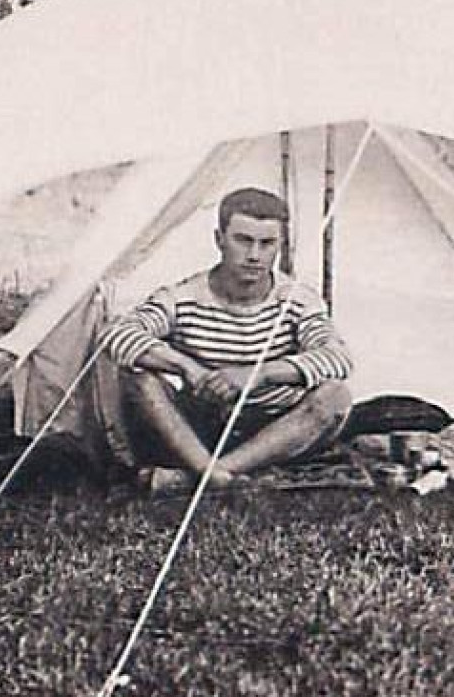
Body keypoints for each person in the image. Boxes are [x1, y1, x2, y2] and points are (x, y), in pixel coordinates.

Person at [101, 187, 353, 489]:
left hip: (272, 429)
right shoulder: (182, 297)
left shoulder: (298, 300)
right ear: (219, 240)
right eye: (243, 241)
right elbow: (115, 335)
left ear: (280, 246)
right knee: (138, 379)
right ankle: (216, 474)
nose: (254, 256)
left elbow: (338, 358)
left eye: (267, 243)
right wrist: (187, 368)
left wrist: (259, 375)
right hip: (199, 430)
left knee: (335, 395)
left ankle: (204, 477)